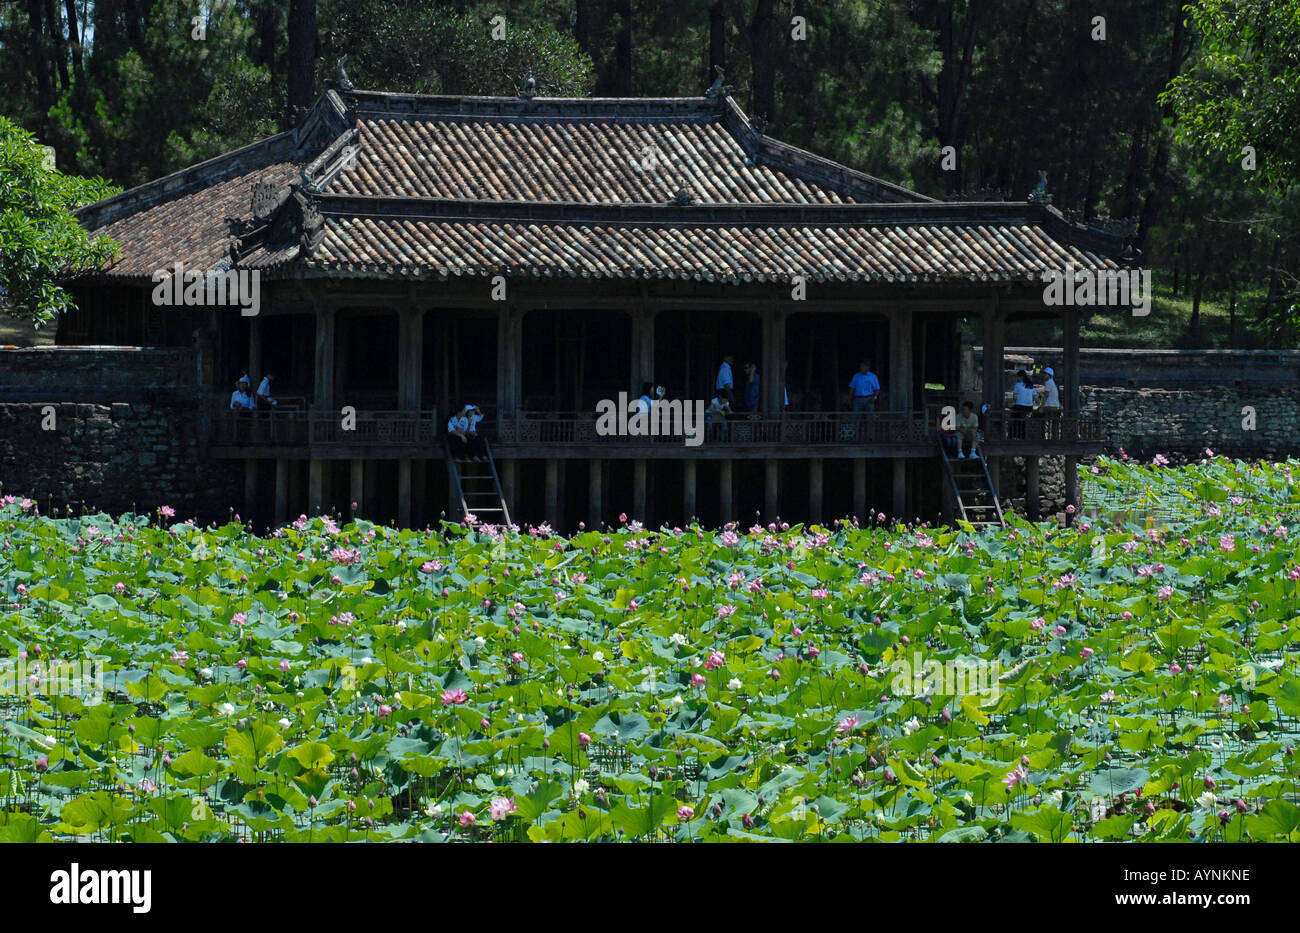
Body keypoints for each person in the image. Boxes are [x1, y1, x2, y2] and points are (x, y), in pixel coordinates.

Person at [1010, 370, 1035, 438]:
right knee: (1023, 418)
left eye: (1018, 377)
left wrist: (1014, 403)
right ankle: (1023, 435)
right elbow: (1034, 395)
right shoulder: (1031, 384)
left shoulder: (1018, 384)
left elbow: (1014, 397)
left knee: (1013, 417)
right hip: (1029, 407)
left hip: (1020, 406)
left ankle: (1014, 435)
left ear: (1021, 377)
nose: (1017, 378)